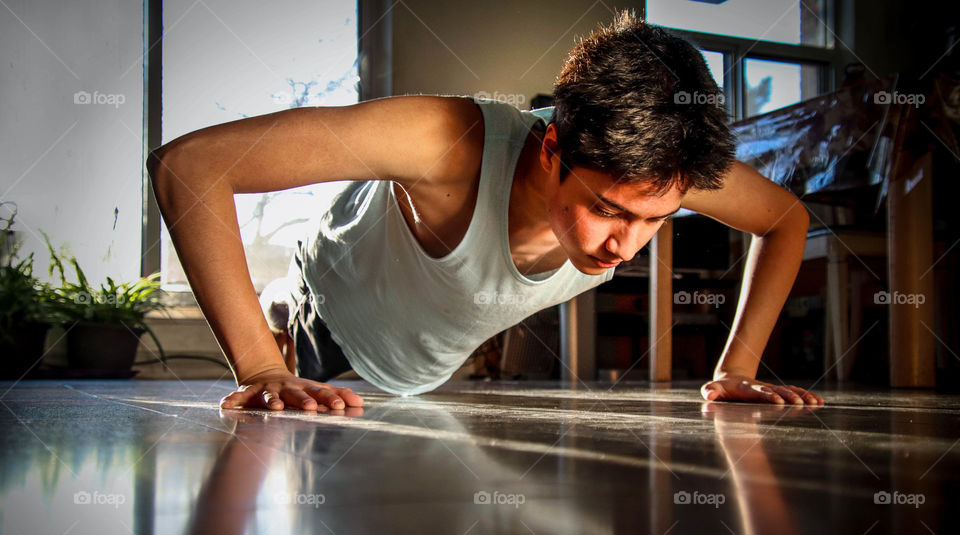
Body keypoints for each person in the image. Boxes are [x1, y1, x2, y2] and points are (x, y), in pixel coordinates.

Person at [147, 10, 824, 412]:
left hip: (425, 361)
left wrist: (737, 368)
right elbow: (190, 165)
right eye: (607, 210)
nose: (628, 246)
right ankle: (279, 319)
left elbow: (785, 218)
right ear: (552, 144)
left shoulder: (663, 165)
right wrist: (262, 369)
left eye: (656, 220)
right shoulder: (446, 142)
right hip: (333, 308)